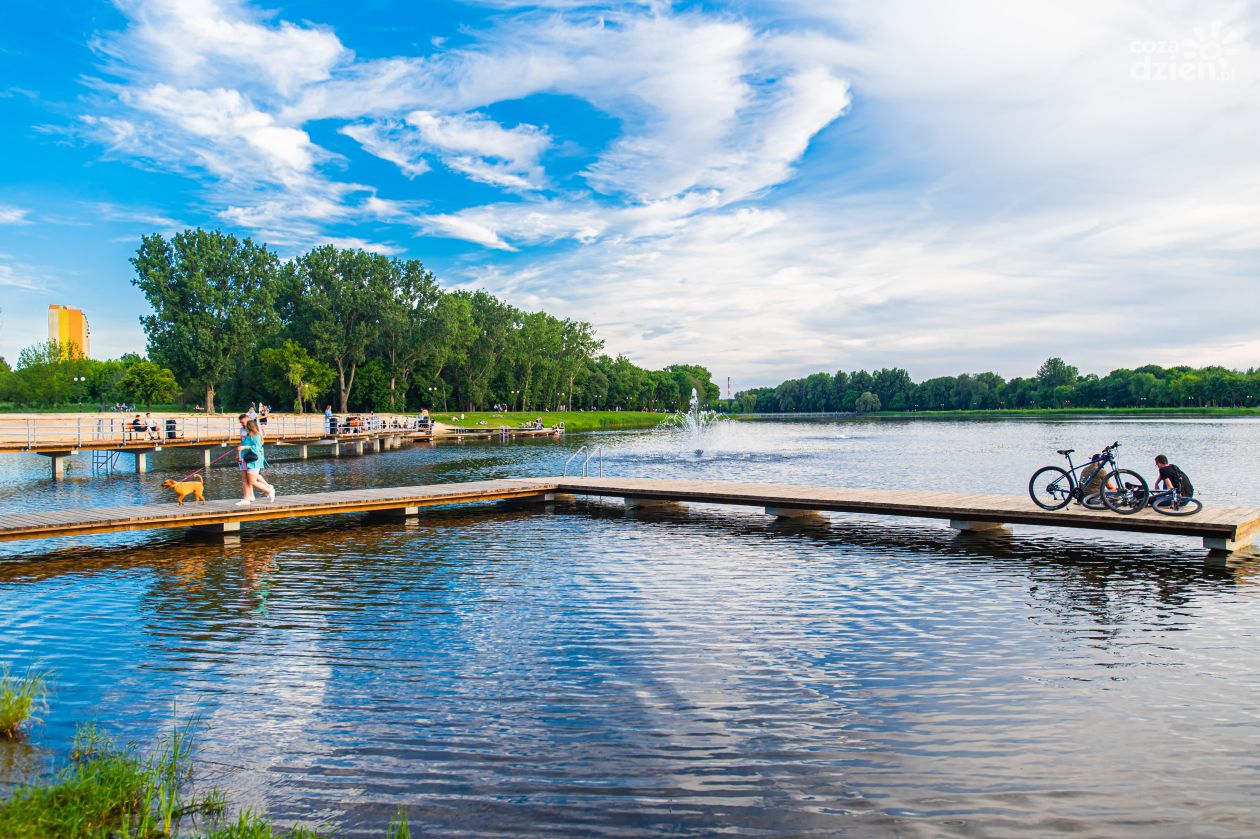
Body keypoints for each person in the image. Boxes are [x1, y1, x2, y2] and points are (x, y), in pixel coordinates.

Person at [236, 418, 276, 506]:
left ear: (250, 427)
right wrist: (239, 451)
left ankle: (269, 490)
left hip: (253, 461)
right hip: (245, 459)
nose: (245, 427)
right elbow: (244, 444)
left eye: (246, 426)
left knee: (252, 481)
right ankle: (246, 499)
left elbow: (257, 448)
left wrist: (244, 447)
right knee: (245, 480)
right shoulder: (248, 435)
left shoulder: (257, 436)